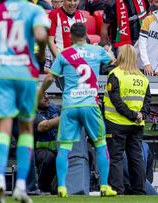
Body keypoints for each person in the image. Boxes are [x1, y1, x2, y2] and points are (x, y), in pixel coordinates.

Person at [0, 0, 50, 202]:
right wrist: (42, 51)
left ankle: (0, 178)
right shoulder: (35, 10)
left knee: (3, 129)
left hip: (1, 75)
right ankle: (20, 186)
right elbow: (40, 36)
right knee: (26, 130)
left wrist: (0, 42)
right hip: (24, 73)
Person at [45, 22, 116, 197]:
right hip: (90, 105)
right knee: (100, 144)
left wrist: (40, 92)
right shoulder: (96, 50)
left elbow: (49, 78)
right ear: (87, 36)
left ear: (70, 37)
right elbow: (113, 61)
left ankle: (62, 186)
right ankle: (105, 186)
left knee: (65, 148)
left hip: (70, 106)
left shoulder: (64, 54)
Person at [104, 44, 151, 195]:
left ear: (121, 56)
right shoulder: (143, 78)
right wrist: (140, 116)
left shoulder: (115, 74)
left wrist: (132, 115)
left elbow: (117, 102)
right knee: (136, 158)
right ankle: (139, 191)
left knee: (116, 158)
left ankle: (118, 191)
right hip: (137, 125)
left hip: (116, 123)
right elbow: (147, 102)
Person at [33, 92, 60, 193]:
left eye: (46, 94)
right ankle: (44, 188)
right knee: (49, 157)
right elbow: (44, 126)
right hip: (36, 150)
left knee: (86, 153)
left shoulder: (53, 108)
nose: (46, 97)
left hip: (58, 148)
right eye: (42, 95)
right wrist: (70, 114)